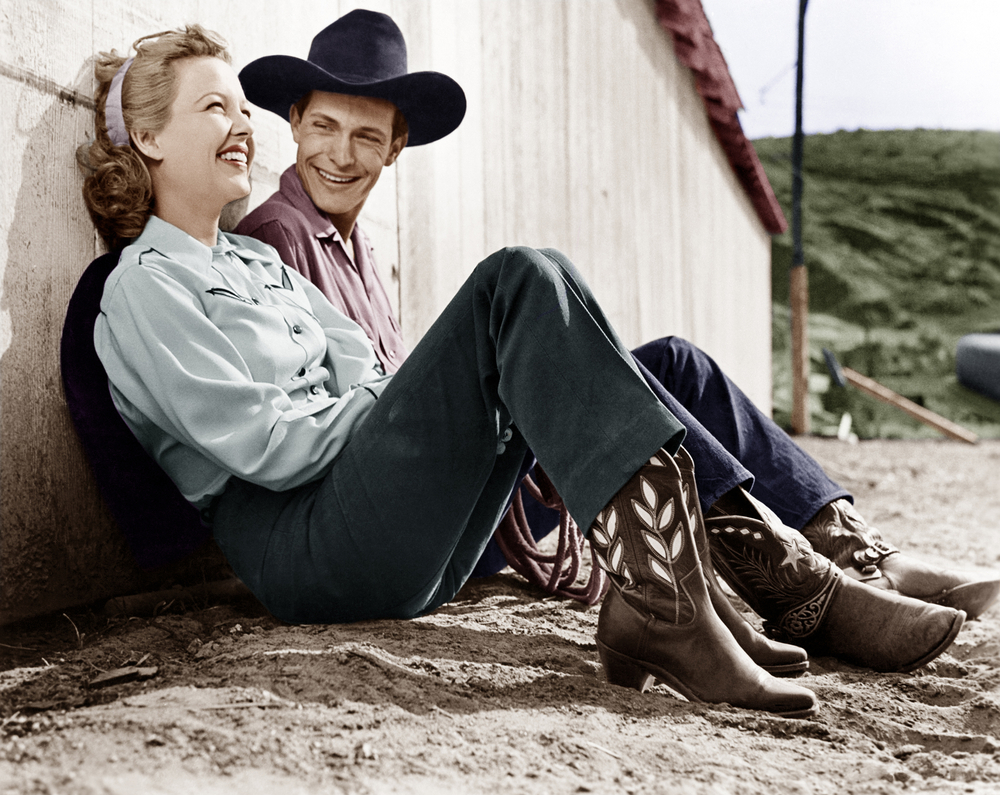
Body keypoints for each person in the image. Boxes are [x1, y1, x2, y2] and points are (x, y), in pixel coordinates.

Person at [79, 25, 962, 720]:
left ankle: (677, 592)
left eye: (243, 109)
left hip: (381, 532)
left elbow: (362, 368)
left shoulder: (257, 263)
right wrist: (422, 400)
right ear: (148, 136)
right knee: (517, 280)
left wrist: (429, 396)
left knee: (553, 294)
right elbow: (273, 447)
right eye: (216, 109)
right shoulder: (143, 288)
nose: (244, 127)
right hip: (305, 549)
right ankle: (694, 597)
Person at [234, 10, 1000, 629]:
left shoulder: (358, 247)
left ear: (396, 146)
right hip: (408, 523)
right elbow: (328, 429)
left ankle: (854, 548)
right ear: (293, 122)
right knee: (587, 376)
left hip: (446, 493)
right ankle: (798, 579)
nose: (341, 154)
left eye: (367, 135)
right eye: (325, 126)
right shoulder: (277, 237)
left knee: (672, 364)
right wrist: (527, 435)